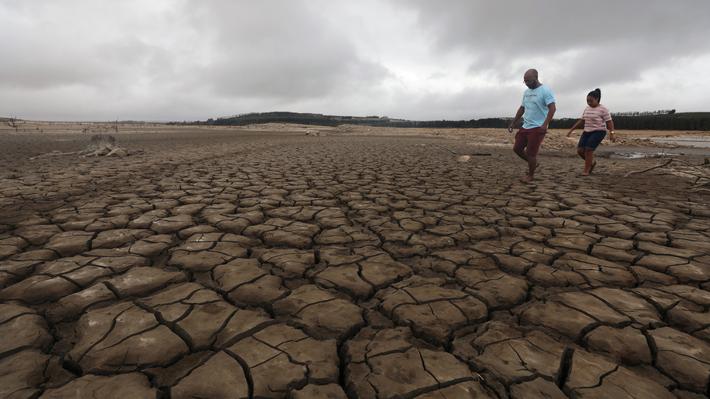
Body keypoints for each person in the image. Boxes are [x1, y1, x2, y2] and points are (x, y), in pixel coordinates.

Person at [507, 69, 556, 182]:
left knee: (531, 152)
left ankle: (530, 175)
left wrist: (545, 124)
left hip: (538, 127)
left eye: (528, 81)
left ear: (536, 78)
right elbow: (522, 108)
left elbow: (552, 109)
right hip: (526, 125)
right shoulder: (526, 92)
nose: (527, 83)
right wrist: (514, 122)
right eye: (525, 81)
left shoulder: (545, 90)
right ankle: (533, 163)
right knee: (517, 148)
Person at [566, 88, 616, 175]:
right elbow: (581, 121)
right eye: (587, 101)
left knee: (588, 150)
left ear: (597, 99)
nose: (589, 102)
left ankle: (586, 170)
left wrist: (612, 133)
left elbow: (609, 122)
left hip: (599, 132)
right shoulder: (587, 109)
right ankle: (591, 163)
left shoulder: (603, 109)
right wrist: (571, 130)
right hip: (587, 132)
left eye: (591, 101)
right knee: (580, 151)